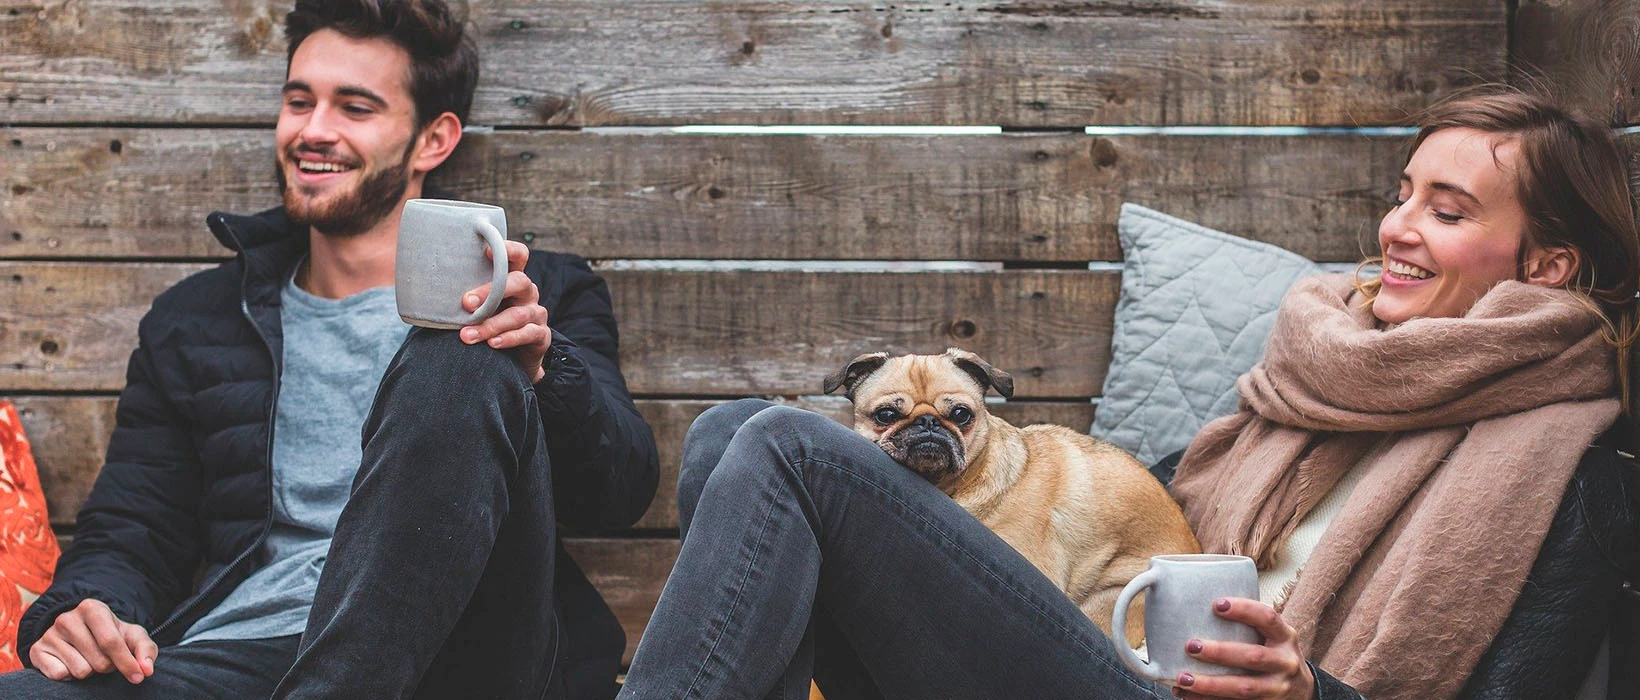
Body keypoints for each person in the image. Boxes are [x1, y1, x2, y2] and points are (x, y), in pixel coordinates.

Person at [614, 87, 1639, 700]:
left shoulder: (1568, 466)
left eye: (1445, 210)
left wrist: (1306, 690)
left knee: (787, 444)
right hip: (1112, 649)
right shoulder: (1323, 369)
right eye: (1400, 192)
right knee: (727, 433)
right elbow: (1152, 507)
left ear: (1544, 265)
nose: (1395, 228)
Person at [0, 1, 659, 698]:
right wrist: (88, 610)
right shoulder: (195, 322)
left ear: (433, 140)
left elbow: (620, 491)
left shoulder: (540, 291)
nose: (314, 131)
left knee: (462, 354)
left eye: (355, 108)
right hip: (244, 658)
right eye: (298, 101)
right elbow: (135, 530)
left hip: (463, 654)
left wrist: (543, 365)